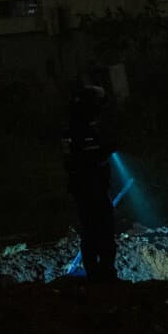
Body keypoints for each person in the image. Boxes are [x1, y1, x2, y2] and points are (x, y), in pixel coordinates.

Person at [62, 84, 117, 281]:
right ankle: (102, 274)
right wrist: (108, 150)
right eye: (97, 106)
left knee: (94, 232)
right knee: (99, 231)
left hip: (89, 188)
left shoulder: (80, 128)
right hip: (90, 189)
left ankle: (99, 274)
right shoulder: (79, 131)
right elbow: (85, 160)